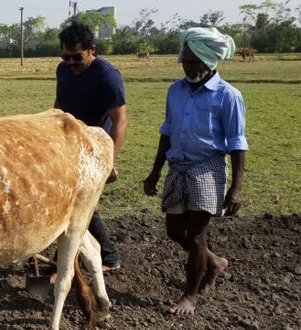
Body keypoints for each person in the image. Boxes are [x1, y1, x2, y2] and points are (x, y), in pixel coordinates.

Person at [143, 27, 247, 315]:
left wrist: (236, 188)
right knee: (174, 230)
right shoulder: (174, 91)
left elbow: (238, 143)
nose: (188, 67)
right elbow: (167, 131)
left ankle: (190, 295)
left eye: (193, 62)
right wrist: (154, 172)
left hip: (208, 168)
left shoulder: (228, 96)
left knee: (197, 234)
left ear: (210, 61)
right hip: (178, 166)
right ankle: (213, 262)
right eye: (185, 61)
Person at [54, 22, 126, 272]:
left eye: (77, 57)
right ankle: (66, 258)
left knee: (81, 204)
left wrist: (109, 162)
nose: (71, 63)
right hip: (69, 146)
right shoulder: (63, 71)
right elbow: (59, 107)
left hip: (94, 148)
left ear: (91, 50)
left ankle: (108, 257)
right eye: (66, 57)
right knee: (65, 202)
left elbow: (119, 120)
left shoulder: (107, 75)